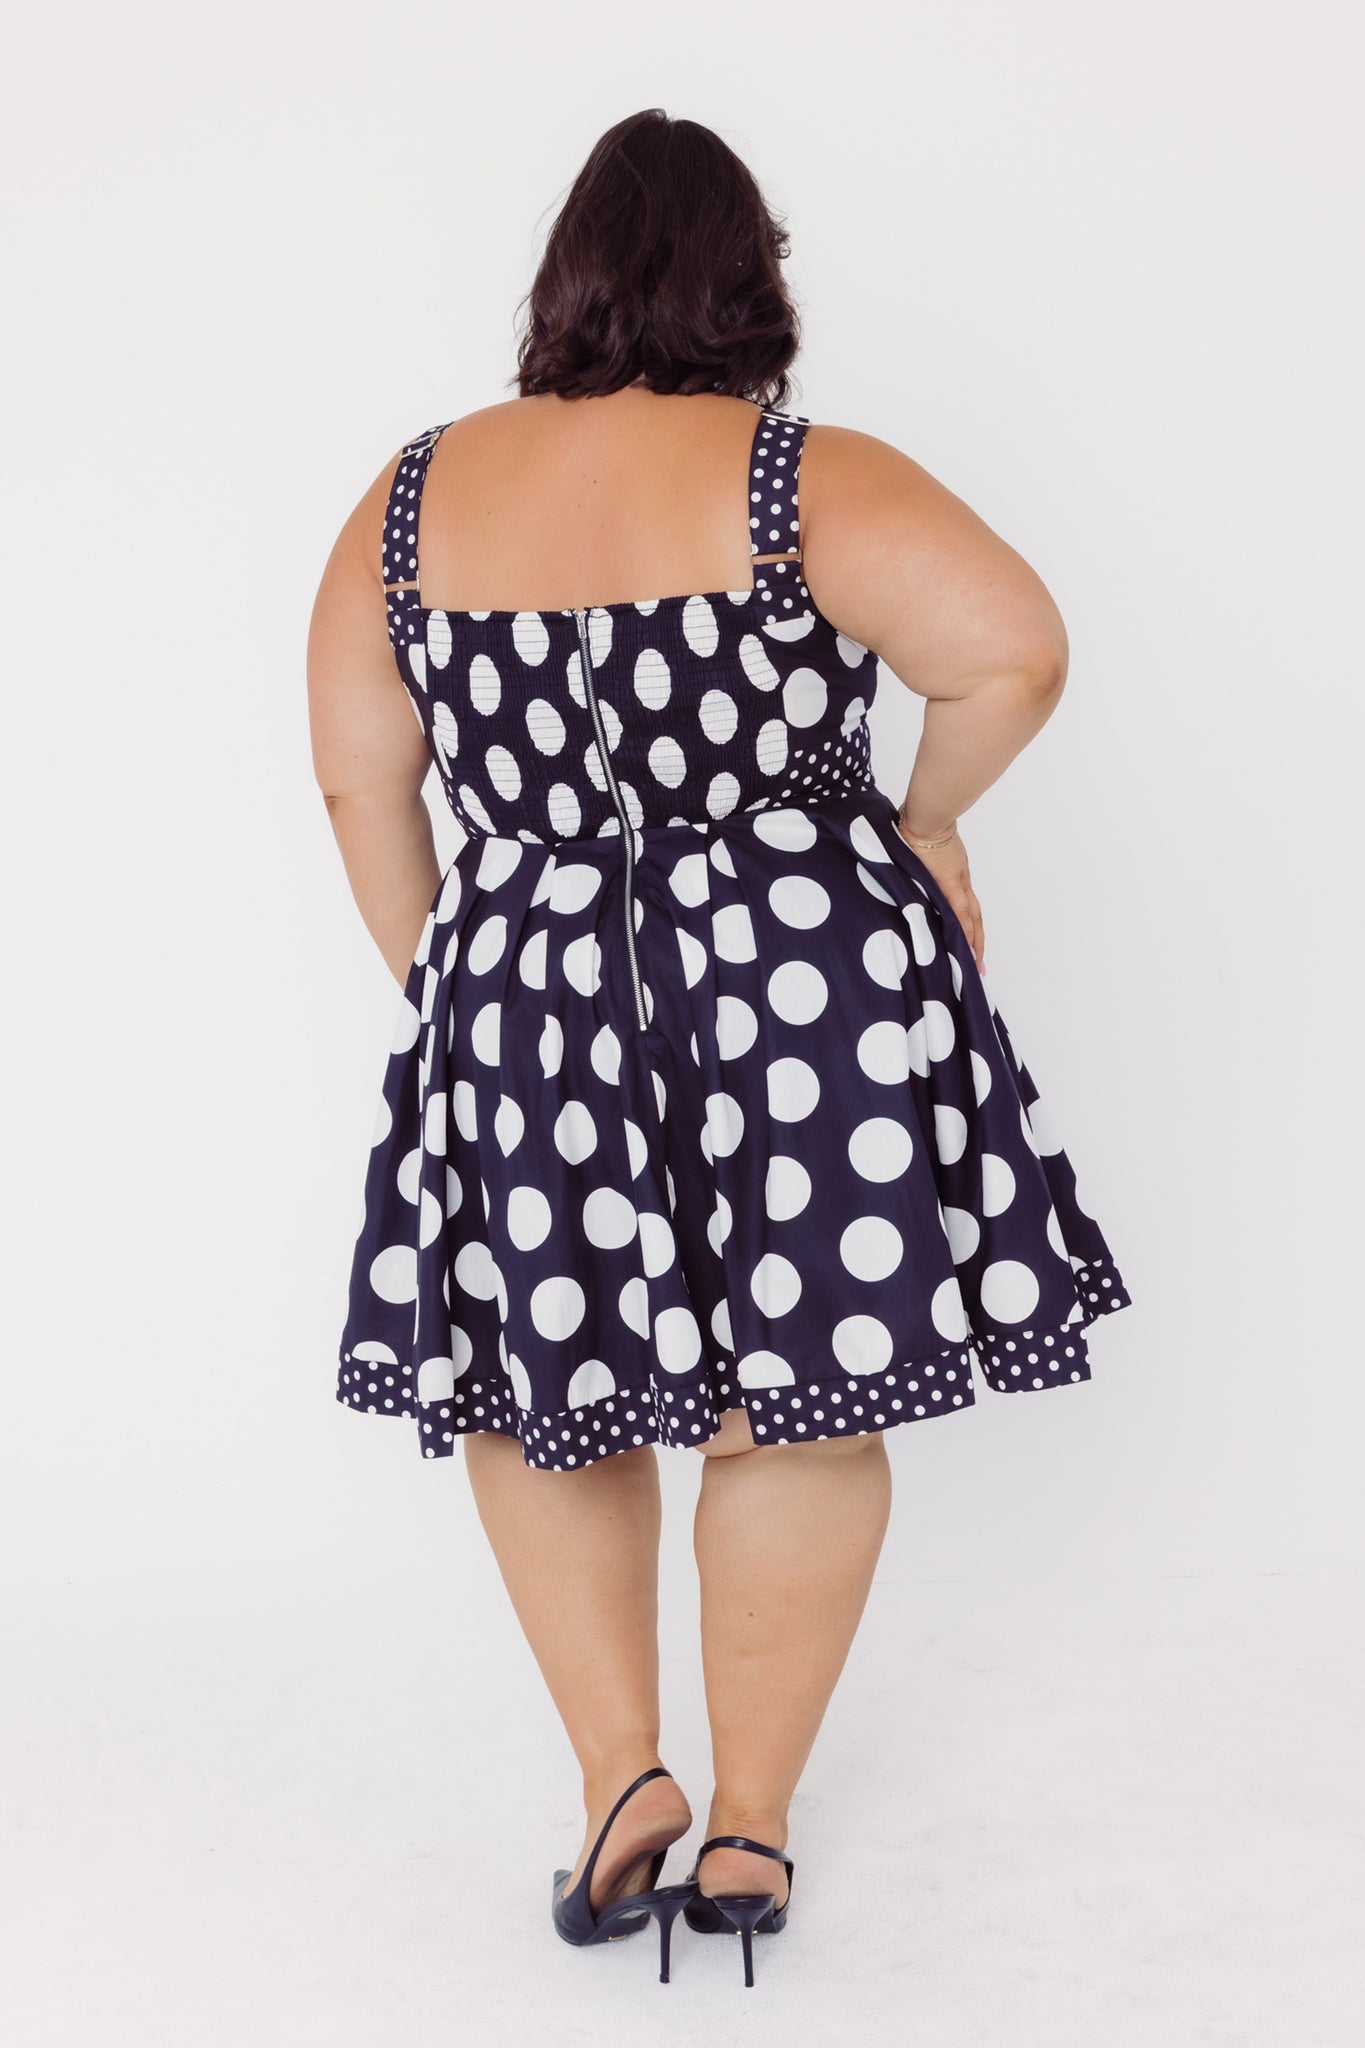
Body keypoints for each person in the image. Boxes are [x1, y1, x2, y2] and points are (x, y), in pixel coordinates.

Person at [306, 108, 1133, 1989]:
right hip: (799, 978)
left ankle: (620, 1789)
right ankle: (751, 1829)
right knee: (797, 1388)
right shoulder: (797, 479)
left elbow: (361, 773)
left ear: (563, 282)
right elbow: (1011, 646)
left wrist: (460, 977)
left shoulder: (417, 498)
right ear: (752, 281)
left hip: (524, 978)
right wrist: (921, 826)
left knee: (544, 1384)